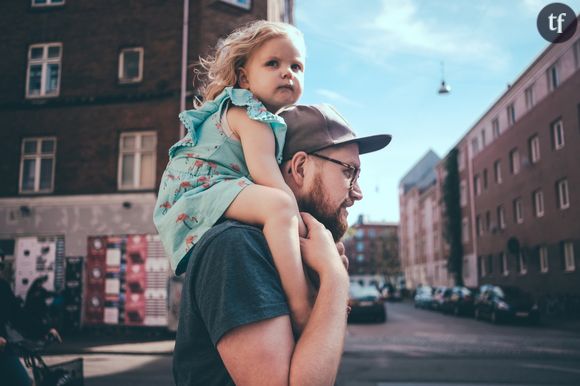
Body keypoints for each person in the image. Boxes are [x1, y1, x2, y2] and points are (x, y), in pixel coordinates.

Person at [173, 103, 391, 385]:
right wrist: (335, 280)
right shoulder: (237, 246)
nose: (358, 193)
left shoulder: (285, 257)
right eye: (349, 171)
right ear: (299, 167)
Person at [153, 20, 314, 334]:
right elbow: (269, 180)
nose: (287, 72)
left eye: (297, 66)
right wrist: (306, 228)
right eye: (273, 63)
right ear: (244, 77)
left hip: (200, 190)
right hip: (200, 188)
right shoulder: (250, 115)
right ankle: (302, 304)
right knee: (280, 206)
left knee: (274, 213)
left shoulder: (256, 116)